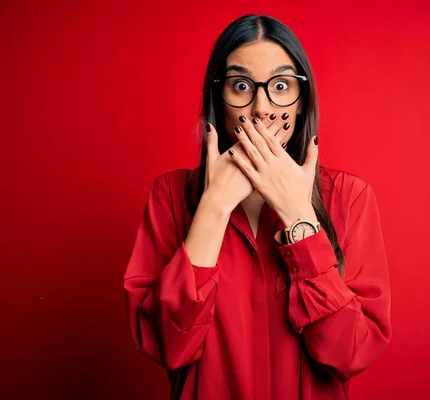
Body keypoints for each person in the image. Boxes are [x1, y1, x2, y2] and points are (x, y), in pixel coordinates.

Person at [123, 14, 392, 400]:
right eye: (241, 85)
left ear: (302, 104)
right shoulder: (169, 195)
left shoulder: (350, 198)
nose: (262, 108)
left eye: (281, 86)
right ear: (219, 98)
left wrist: (299, 217)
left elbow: (351, 353)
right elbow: (168, 345)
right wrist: (214, 206)